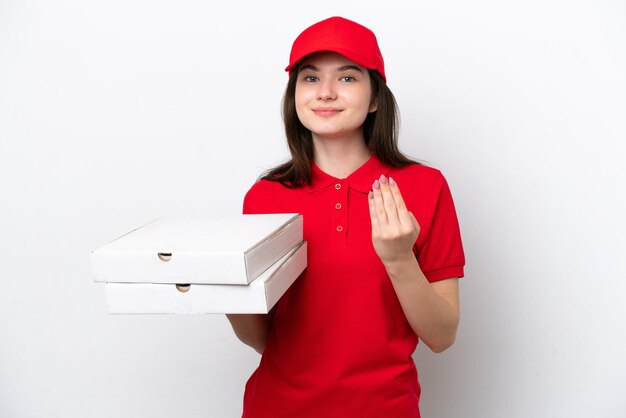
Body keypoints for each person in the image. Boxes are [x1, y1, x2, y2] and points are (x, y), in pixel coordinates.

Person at [226, 16, 465, 418]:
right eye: (310, 78)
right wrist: (225, 288)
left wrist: (398, 258)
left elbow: (441, 336)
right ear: (294, 94)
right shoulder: (265, 196)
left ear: (375, 98)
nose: (327, 93)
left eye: (348, 78)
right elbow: (263, 338)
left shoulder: (426, 187)